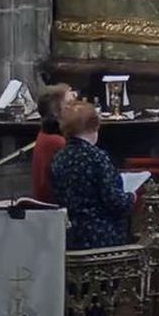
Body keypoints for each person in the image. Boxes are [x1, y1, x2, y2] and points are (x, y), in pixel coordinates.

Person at [50, 100, 135, 250]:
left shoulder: (59, 157)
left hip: (70, 234)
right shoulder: (96, 157)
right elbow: (115, 202)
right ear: (94, 126)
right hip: (101, 233)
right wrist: (131, 197)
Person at [31, 84, 76, 203]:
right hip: (53, 207)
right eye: (70, 104)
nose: (76, 109)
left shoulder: (48, 135)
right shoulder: (57, 142)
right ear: (56, 111)